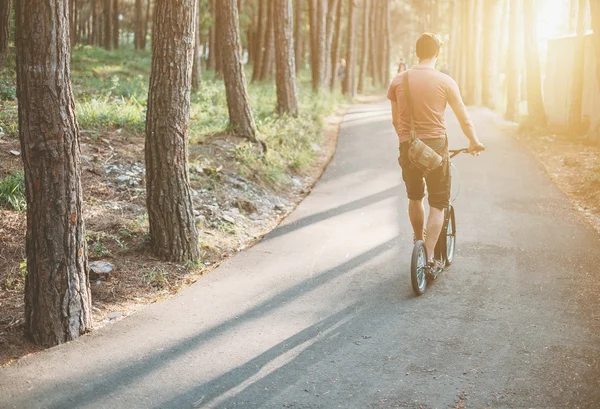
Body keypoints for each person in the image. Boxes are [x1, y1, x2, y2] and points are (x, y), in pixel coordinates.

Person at [387, 33, 484, 275]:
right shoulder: (445, 81)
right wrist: (474, 141)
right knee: (439, 204)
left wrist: (407, 142)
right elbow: (464, 118)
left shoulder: (399, 80)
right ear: (437, 53)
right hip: (437, 148)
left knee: (415, 196)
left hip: (408, 146)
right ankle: (429, 257)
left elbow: (395, 120)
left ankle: (417, 240)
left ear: (416, 52)